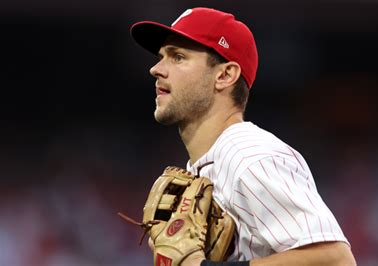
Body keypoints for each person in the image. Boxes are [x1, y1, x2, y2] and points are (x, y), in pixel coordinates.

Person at [130, 7, 356, 266]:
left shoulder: (251, 156)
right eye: (161, 57)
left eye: (178, 57)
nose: (156, 69)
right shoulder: (207, 165)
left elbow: (336, 260)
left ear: (225, 75)